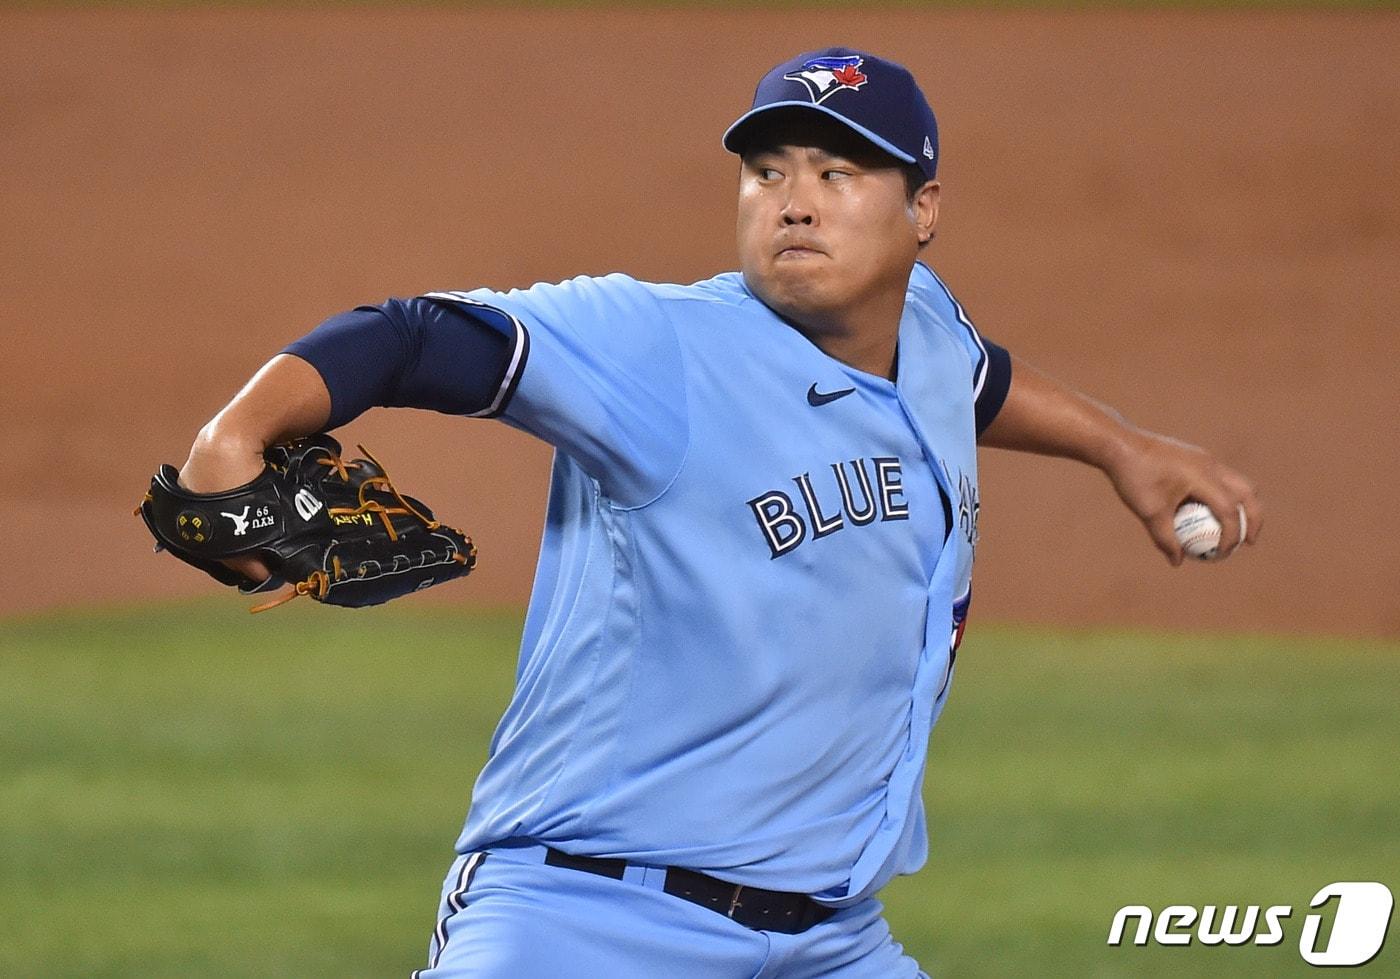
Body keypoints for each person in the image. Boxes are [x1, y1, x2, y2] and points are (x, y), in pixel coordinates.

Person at [176, 48, 1259, 978]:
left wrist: (1123, 448)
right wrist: (234, 436)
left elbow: (972, 380)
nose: (793, 200)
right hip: (589, 917)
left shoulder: (923, 326)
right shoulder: (660, 347)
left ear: (921, 211)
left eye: (837, 171)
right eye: (766, 171)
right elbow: (415, 335)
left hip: (831, 937)